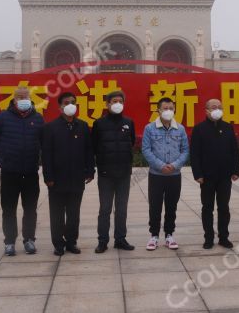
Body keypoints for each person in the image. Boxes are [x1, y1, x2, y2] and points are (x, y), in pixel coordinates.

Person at [0, 86, 44, 256]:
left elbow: (45, 141)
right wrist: (4, 153)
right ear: (14, 99)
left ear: (30, 98)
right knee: (9, 208)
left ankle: (29, 240)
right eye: (19, 97)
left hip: (31, 172)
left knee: (30, 208)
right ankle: (9, 242)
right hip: (10, 172)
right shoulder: (3, 117)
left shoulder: (38, 118)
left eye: (25, 96)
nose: (23, 99)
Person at [42, 92, 94, 255]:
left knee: (73, 213)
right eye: (66, 102)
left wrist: (90, 170)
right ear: (60, 107)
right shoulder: (50, 128)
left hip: (77, 177)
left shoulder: (83, 126)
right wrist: (48, 176)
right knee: (57, 213)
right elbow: (46, 154)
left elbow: (88, 150)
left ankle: (71, 242)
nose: (70, 105)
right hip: (57, 179)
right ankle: (58, 243)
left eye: (73, 102)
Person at [191, 98, 239, 249]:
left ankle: (224, 237)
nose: (216, 109)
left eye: (219, 107)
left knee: (224, 207)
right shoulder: (199, 129)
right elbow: (195, 154)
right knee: (207, 207)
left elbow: (234, 151)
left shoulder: (227, 127)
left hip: (225, 175)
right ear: (206, 110)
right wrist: (197, 174)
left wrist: (235, 170)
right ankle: (208, 237)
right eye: (213, 107)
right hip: (206, 176)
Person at [141, 97, 190, 250]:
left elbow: (185, 150)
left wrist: (174, 166)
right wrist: (161, 165)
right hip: (156, 175)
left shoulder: (180, 129)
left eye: (171, 108)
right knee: (155, 206)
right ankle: (153, 236)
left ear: (174, 109)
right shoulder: (150, 128)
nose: (168, 111)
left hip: (174, 176)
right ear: (158, 110)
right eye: (165, 108)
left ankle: (169, 235)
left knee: (171, 206)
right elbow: (146, 150)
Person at [92, 90, 136, 253]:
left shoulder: (128, 122)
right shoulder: (99, 123)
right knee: (105, 209)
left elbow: (130, 142)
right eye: (114, 101)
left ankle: (120, 239)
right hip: (105, 174)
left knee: (122, 208)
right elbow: (94, 147)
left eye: (120, 101)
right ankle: (102, 241)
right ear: (107, 104)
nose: (117, 104)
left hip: (124, 173)